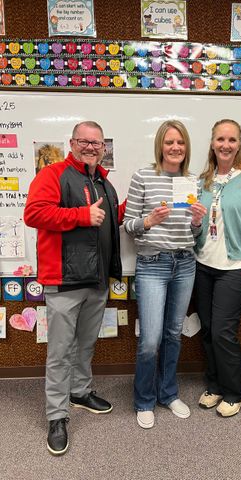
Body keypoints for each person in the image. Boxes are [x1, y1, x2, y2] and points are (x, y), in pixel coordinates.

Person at [24, 121, 125, 455]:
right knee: (60, 352)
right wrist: (81, 216)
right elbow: (34, 213)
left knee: (85, 345)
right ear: (72, 143)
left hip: (96, 281)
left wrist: (138, 213)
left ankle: (80, 393)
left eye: (97, 143)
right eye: (84, 141)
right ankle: (56, 415)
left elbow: (110, 218)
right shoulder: (52, 174)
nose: (91, 147)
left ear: (103, 148)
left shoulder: (104, 184)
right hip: (64, 281)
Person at [124, 120, 206, 429]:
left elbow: (195, 233)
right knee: (150, 339)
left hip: (185, 263)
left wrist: (198, 221)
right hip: (152, 265)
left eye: (180, 143)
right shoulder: (143, 176)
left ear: (186, 147)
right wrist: (149, 220)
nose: (175, 148)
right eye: (169, 142)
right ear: (160, 145)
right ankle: (144, 400)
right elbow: (128, 225)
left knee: (174, 334)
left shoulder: (192, 180)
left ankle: (168, 393)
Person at [194, 119, 241, 417]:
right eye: (220, 139)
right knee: (208, 329)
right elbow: (197, 226)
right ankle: (214, 385)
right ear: (212, 143)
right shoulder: (202, 180)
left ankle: (235, 391)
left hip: (235, 267)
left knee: (224, 331)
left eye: (232, 140)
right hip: (203, 265)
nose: (226, 145)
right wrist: (193, 223)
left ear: (239, 144)